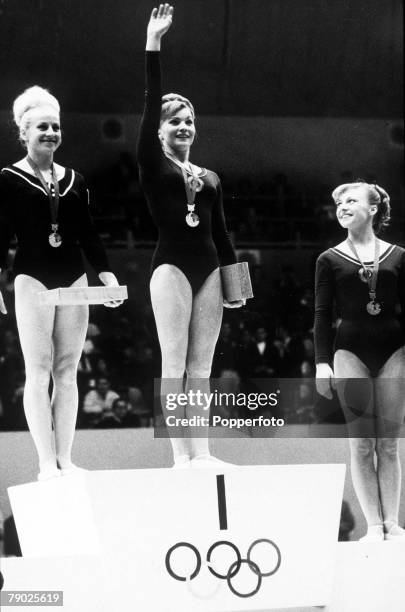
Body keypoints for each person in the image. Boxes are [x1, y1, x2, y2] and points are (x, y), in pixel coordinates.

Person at [137, 4, 243, 468]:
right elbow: (150, 97)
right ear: (158, 131)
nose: (184, 126)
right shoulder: (152, 164)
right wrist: (154, 43)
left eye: (189, 121)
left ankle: (202, 453)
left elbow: (221, 234)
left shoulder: (210, 177)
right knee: (175, 363)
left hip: (210, 273)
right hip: (171, 269)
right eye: (174, 121)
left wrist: (236, 285)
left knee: (202, 368)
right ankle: (180, 456)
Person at [0, 86, 122, 480]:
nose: (50, 132)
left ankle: (65, 459)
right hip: (32, 278)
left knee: (68, 370)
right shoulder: (8, 178)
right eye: (41, 127)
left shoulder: (75, 180)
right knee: (38, 370)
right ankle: (43, 464)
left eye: (55, 126)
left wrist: (106, 274)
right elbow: (0, 233)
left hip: (73, 278)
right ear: (24, 133)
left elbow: (88, 233)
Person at [314, 180, 405, 541]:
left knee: (389, 443)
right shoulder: (329, 259)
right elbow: (322, 315)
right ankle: (373, 525)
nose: (342, 207)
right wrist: (323, 362)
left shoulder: (399, 256)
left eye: (351, 200)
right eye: (338, 203)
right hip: (349, 351)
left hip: (395, 350)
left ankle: (393, 524)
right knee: (362, 443)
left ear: (373, 210)